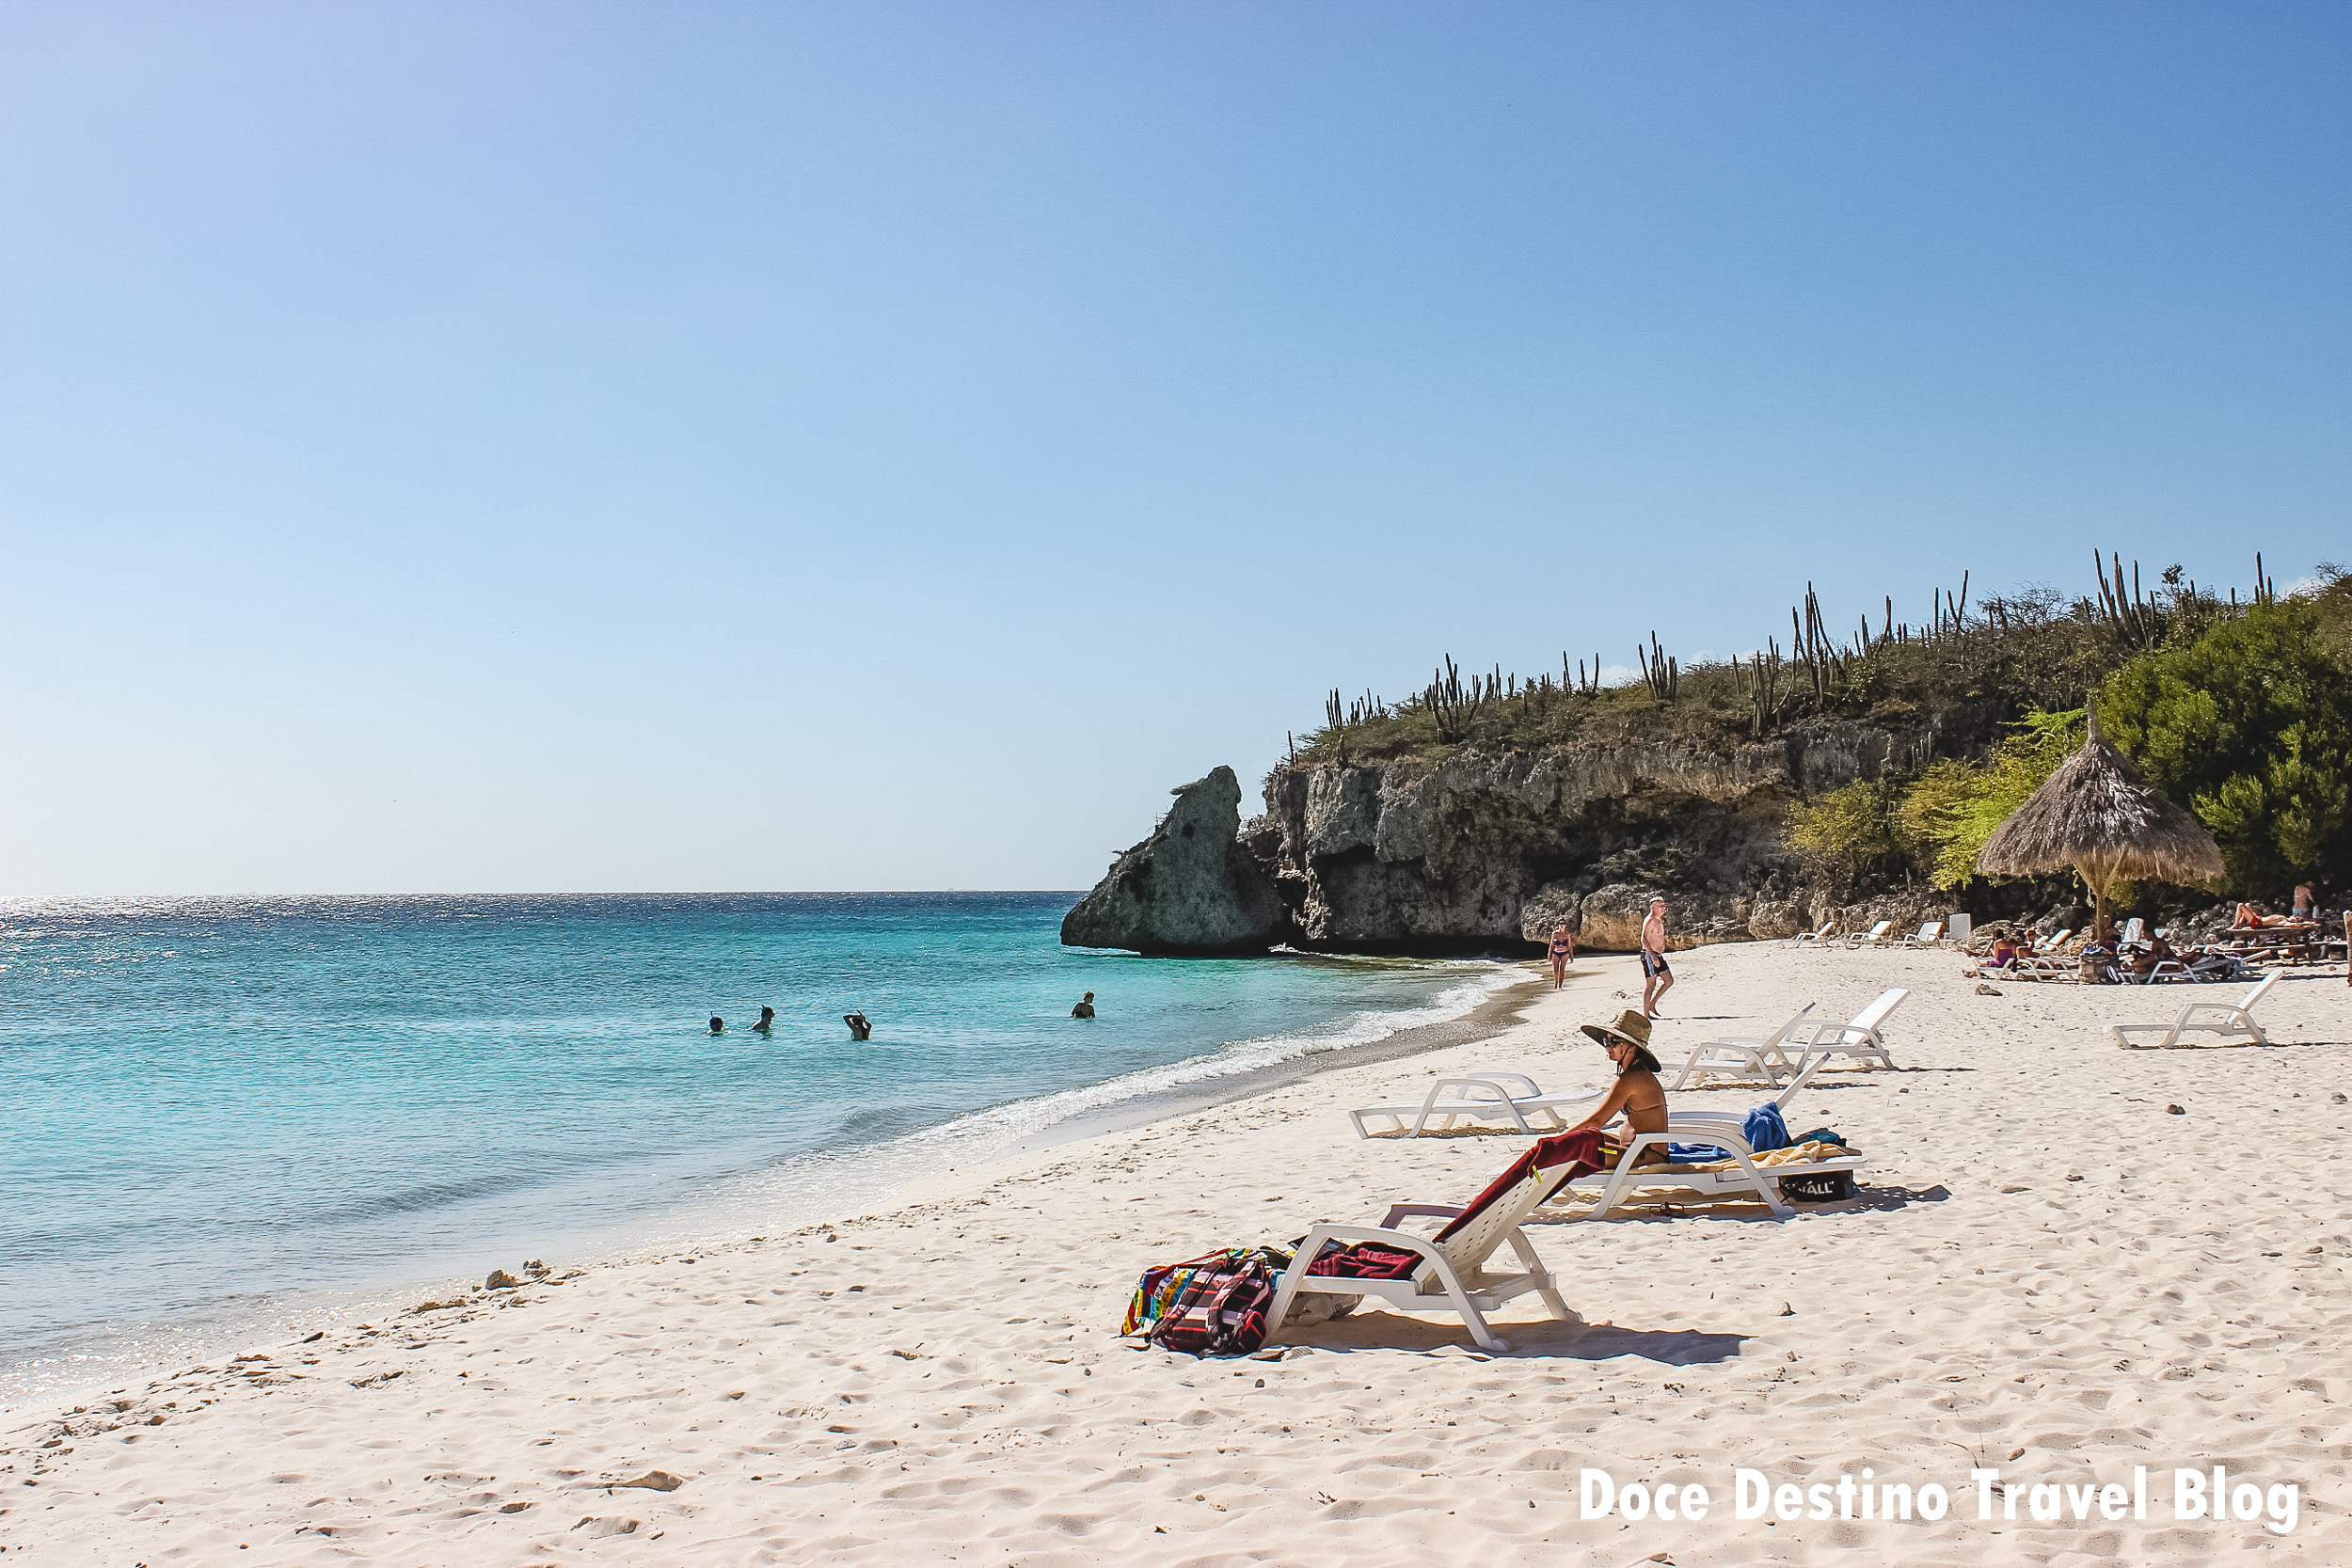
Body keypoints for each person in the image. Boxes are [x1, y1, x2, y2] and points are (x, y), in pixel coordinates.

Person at [1565, 1010, 1670, 1169]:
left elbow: (1597, 1121)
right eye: (1606, 1041)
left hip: (1644, 1155)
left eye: (1614, 1042)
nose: (1608, 1047)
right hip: (1632, 1150)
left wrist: (1554, 1142)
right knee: (1585, 1137)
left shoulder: (1632, 1078)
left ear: (1632, 1046)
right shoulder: (1635, 1073)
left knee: (1577, 1145)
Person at [1639, 897, 1674, 1017]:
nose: (1664, 908)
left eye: (1664, 905)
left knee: (1669, 980)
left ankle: (1652, 1004)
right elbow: (1643, 939)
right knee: (1650, 985)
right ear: (1653, 907)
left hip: (1658, 954)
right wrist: (1653, 956)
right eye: (1661, 905)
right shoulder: (1650, 920)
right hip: (1649, 955)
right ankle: (1646, 1015)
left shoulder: (1659, 920)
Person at [1547, 923, 1576, 990]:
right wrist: (1549, 955)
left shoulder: (1567, 935)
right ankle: (1556, 983)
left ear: (1565, 926)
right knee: (1555, 970)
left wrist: (1571, 956)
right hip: (1555, 953)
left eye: (1563, 924)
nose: (1562, 925)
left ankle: (1560, 986)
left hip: (1565, 953)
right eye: (1560, 924)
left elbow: (1570, 946)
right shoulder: (1555, 934)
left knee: (1562, 970)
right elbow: (1551, 945)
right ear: (1558, 925)